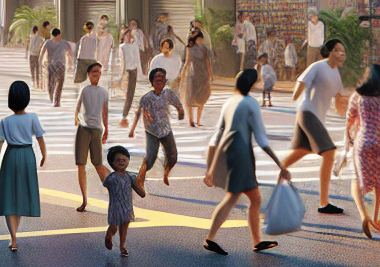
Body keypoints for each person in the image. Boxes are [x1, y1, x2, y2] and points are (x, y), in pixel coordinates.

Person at [202, 69, 284, 255]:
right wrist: (281, 165)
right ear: (252, 84)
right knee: (233, 196)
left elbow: (217, 135)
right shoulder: (250, 103)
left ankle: (256, 241)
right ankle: (210, 238)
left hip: (230, 151)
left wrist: (211, 168)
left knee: (254, 197)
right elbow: (262, 139)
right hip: (242, 153)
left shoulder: (229, 102)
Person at [281, 37, 347, 215]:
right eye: (339, 50)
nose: (342, 53)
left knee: (303, 150)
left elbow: (339, 102)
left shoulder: (336, 74)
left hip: (314, 116)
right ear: (331, 52)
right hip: (307, 113)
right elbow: (301, 82)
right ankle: (324, 203)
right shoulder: (318, 66)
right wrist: (296, 95)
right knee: (329, 152)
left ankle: (279, 174)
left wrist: (349, 110)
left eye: (343, 51)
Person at [0, 80, 48, 251]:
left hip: (11, 155)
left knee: (9, 196)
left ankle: (13, 238)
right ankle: (15, 235)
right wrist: (44, 155)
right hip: (27, 155)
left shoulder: (5, 121)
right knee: (22, 194)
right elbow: (40, 138)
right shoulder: (32, 118)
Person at [345, 63, 380, 239]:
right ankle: (375, 218)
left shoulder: (358, 97)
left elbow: (350, 119)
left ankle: (364, 216)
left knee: (357, 181)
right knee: (379, 182)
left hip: (362, 142)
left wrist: (348, 138)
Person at [130, 67, 184, 186]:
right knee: (150, 158)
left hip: (165, 130)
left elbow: (178, 104)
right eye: (156, 77)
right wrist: (132, 129)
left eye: (162, 77)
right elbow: (138, 113)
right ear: (152, 81)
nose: (159, 79)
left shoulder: (169, 93)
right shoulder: (146, 97)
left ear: (165, 81)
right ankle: (139, 179)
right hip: (151, 131)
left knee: (173, 156)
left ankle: (166, 172)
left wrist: (181, 112)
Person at [74, 61, 109, 212]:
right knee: (81, 164)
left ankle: (113, 190)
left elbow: (105, 111)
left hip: (96, 130)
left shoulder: (103, 92)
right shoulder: (84, 90)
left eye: (99, 72)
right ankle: (84, 200)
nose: (97, 74)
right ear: (88, 74)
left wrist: (106, 129)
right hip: (84, 129)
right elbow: (77, 106)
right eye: (94, 72)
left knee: (98, 163)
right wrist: (76, 118)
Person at [101, 145, 145, 256]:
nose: (121, 162)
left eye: (124, 160)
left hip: (127, 206)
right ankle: (109, 235)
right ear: (112, 163)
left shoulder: (130, 176)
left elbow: (140, 190)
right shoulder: (111, 178)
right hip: (115, 206)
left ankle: (122, 246)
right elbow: (106, 184)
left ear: (128, 161)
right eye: (118, 160)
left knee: (125, 226)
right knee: (114, 226)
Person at [177, 30, 213, 125]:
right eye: (199, 39)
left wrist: (210, 74)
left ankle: (198, 120)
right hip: (192, 74)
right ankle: (191, 120)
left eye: (202, 39)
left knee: (202, 97)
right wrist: (182, 73)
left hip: (203, 74)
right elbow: (187, 61)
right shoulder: (190, 48)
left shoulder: (205, 50)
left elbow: (208, 63)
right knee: (190, 96)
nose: (200, 41)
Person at [40, 27, 71, 107]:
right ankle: (57, 101)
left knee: (51, 82)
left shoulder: (48, 43)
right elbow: (70, 53)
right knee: (59, 84)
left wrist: (41, 64)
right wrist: (71, 63)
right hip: (61, 65)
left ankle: (51, 97)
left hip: (51, 65)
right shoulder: (64, 43)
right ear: (59, 35)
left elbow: (42, 53)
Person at [118, 28, 141, 127]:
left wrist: (139, 72)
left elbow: (137, 59)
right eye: (126, 34)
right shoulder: (122, 47)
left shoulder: (134, 46)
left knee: (131, 93)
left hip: (133, 70)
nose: (128, 36)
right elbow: (121, 60)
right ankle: (125, 113)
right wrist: (121, 74)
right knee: (126, 92)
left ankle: (125, 113)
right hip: (126, 71)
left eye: (129, 34)